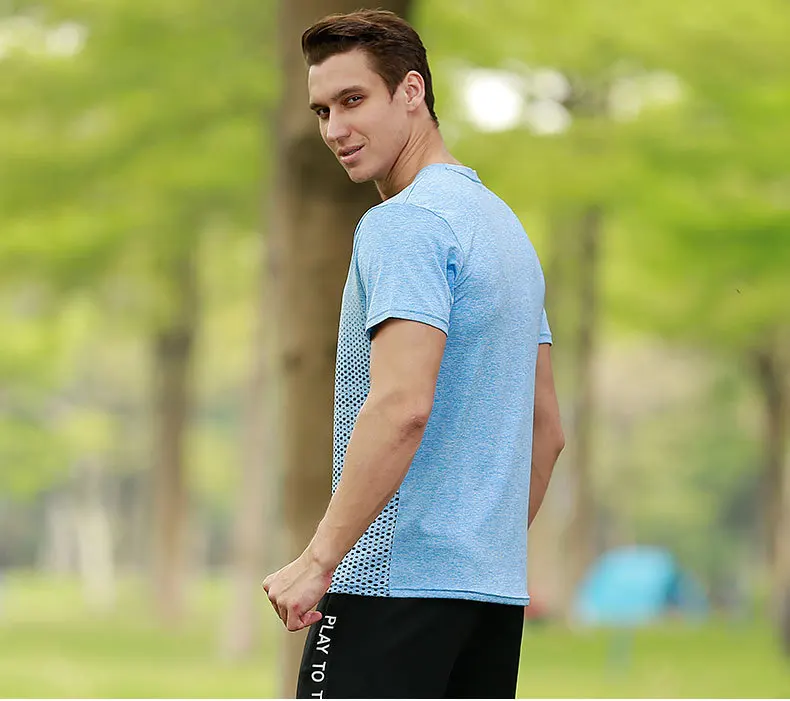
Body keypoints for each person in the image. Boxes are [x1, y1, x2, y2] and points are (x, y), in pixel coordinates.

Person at [263, 9, 565, 699]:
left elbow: (401, 403)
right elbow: (547, 431)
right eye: (321, 110)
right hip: (488, 600)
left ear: (411, 91)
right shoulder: (505, 231)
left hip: (386, 588)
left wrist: (320, 559)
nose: (334, 129)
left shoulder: (404, 224)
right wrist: (472, 550)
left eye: (353, 100)